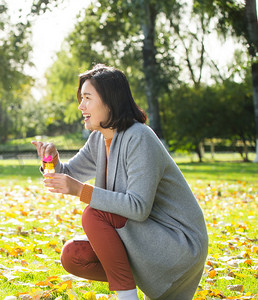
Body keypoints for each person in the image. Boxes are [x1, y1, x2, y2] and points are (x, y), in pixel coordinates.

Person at [31, 64, 208, 300]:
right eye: (81, 98)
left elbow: (138, 207)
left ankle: (127, 296)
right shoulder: (99, 138)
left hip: (178, 244)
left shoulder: (140, 137)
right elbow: (70, 173)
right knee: (74, 255)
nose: (80, 106)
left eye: (87, 98)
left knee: (94, 214)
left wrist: (80, 191)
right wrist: (51, 161)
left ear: (109, 101)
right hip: (146, 239)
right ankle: (135, 286)